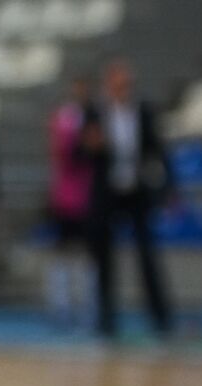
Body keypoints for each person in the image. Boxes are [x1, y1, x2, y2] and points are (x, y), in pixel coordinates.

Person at [82, 58, 174, 338]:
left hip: (136, 192)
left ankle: (160, 317)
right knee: (104, 258)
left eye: (125, 84)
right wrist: (92, 145)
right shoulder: (96, 113)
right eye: (116, 84)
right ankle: (106, 317)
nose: (121, 89)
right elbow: (82, 151)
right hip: (108, 194)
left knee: (147, 255)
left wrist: (167, 186)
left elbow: (158, 149)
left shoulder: (143, 111)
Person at [46, 76, 96, 331]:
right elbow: (63, 153)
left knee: (86, 254)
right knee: (64, 251)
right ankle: (61, 305)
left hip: (88, 196)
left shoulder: (94, 117)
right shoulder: (64, 119)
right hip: (66, 195)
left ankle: (85, 306)